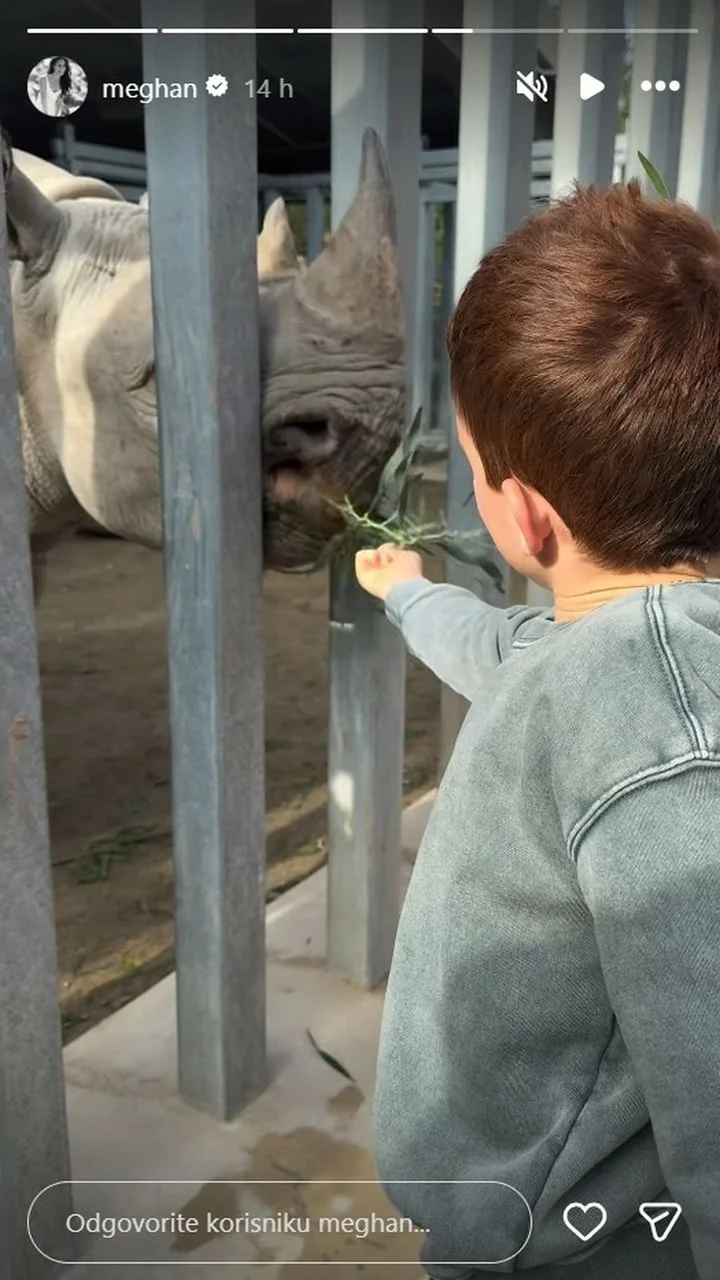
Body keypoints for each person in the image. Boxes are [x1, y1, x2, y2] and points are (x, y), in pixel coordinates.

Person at [355, 179, 720, 1280]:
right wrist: (407, 590)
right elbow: (491, 649)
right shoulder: (588, 651)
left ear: (523, 516)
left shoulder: (656, 727)